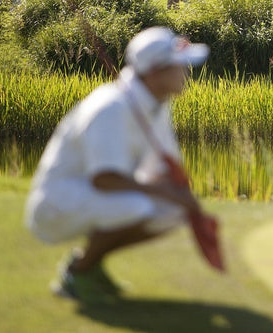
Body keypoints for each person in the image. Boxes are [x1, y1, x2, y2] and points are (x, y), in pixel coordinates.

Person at [25, 27, 209, 304]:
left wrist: (179, 191)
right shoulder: (111, 108)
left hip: (91, 195)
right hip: (56, 204)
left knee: (173, 209)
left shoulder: (157, 103)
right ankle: (78, 271)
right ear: (156, 73)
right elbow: (105, 179)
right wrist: (163, 190)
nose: (186, 73)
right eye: (180, 66)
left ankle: (91, 264)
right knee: (140, 208)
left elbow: (162, 163)